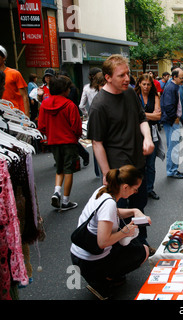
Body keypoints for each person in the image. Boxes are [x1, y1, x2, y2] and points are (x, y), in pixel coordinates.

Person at [87, 54, 154, 246]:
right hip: (118, 169)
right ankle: (119, 250)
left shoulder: (130, 93)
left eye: (128, 73)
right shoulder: (99, 105)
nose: (127, 79)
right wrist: (106, 173)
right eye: (121, 75)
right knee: (117, 212)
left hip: (137, 163)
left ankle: (140, 243)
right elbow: (97, 142)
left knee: (139, 205)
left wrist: (147, 138)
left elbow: (142, 118)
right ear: (108, 77)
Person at [70, 165, 152, 300]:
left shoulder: (103, 191)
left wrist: (134, 211)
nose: (136, 192)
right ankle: (102, 279)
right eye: (135, 189)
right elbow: (103, 242)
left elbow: (112, 214)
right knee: (143, 251)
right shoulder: (109, 204)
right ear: (125, 187)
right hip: (90, 261)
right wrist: (125, 232)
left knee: (134, 245)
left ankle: (105, 276)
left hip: (79, 253)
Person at [38, 75, 82, 211]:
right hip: (68, 141)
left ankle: (56, 191)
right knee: (69, 170)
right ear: (64, 89)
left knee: (59, 169)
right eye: (68, 88)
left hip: (53, 140)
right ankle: (65, 200)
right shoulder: (69, 105)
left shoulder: (44, 104)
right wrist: (76, 137)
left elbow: (41, 125)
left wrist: (49, 133)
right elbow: (76, 127)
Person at [135, 73, 163, 200]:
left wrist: (140, 115)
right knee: (140, 163)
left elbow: (158, 117)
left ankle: (149, 189)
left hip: (152, 132)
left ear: (152, 85)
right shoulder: (135, 96)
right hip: (137, 133)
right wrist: (149, 115)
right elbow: (132, 115)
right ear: (139, 84)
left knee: (151, 164)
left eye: (148, 84)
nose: (146, 87)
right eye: (144, 84)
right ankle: (138, 188)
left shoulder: (155, 96)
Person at [160, 67, 183, 179]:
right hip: (171, 121)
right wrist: (174, 117)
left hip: (173, 120)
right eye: (181, 77)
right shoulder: (171, 88)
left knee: (175, 146)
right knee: (173, 147)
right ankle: (171, 170)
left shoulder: (173, 86)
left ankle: (173, 169)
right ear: (174, 77)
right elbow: (168, 105)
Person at [0, 45, 30, 117]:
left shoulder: (14, 73)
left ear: (4, 58)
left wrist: (26, 116)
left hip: (14, 113)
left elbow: (24, 96)